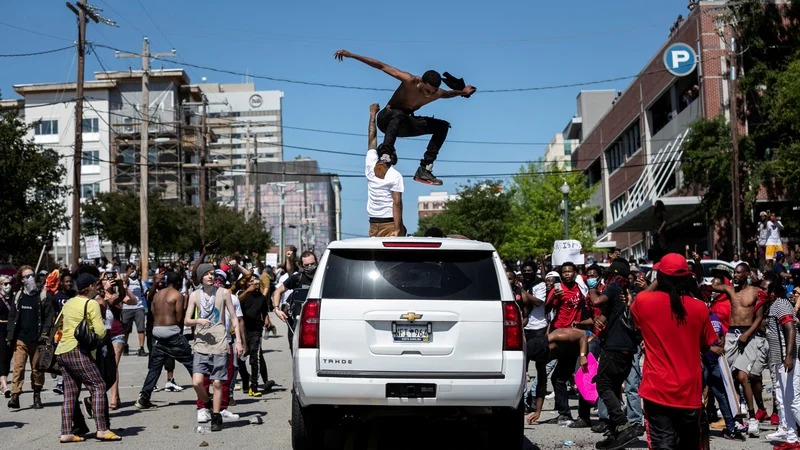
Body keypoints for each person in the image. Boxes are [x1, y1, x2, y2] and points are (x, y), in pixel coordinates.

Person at [334, 49, 476, 186]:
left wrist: (463, 92)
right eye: (426, 90)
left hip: (404, 123)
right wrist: (351, 55)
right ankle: (385, 157)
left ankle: (424, 169)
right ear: (420, 82)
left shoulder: (437, 93)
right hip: (386, 119)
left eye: (431, 92)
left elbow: (449, 94)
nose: (428, 95)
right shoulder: (409, 80)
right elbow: (380, 66)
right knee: (398, 113)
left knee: (443, 126)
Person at [631, 253, 721, 450]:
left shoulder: (645, 302)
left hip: (657, 389)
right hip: (689, 390)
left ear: (659, 277)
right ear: (687, 278)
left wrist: (658, 280)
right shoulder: (699, 308)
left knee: (663, 444)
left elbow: (639, 300)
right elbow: (706, 346)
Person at [55, 273, 121, 442]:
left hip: (62, 351)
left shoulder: (69, 302)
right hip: (78, 350)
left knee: (70, 393)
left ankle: (66, 432)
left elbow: (58, 324)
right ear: (90, 286)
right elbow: (101, 331)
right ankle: (102, 429)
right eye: (95, 284)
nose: (97, 287)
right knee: (98, 385)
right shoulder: (91, 303)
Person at [587, 259, 643, 446]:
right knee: (613, 388)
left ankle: (622, 424)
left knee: (603, 385)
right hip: (627, 347)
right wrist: (601, 319)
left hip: (615, 347)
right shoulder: (624, 291)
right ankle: (615, 433)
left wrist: (591, 286)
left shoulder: (613, 288)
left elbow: (595, 301)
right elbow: (607, 312)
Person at [185, 263, 244, 432]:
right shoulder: (194, 295)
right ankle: (209, 403)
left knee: (217, 382)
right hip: (201, 343)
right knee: (197, 382)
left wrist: (238, 341)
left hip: (220, 342)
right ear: (201, 277)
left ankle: (216, 416)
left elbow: (234, 318)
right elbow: (186, 320)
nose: (210, 276)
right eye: (207, 274)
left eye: (212, 274)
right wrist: (198, 321)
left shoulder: (224, 293)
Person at [712, 262, 768, 437]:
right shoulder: (731, 291)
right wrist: (718, 272)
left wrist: (748, 334)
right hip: (731, 334)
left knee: (743, 375)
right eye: (734, 273)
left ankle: (752, 417)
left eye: (738, 273)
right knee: (728, 376)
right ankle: (738, 414)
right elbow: (713, 285)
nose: (735, 276)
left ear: (746, 274)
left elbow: (758, 318)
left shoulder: (756, 292)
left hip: (748, 334)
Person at [135, 271, 195, 410]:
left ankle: (144, 398)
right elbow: (179, 317)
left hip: (157, 332)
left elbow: (155, 313)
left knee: (154, 368)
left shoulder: (157, 295)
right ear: (179, 282)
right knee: (191, 363)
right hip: (171, 333)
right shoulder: (177, 295)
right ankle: (205, 393)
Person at [546, 262, 594, 426]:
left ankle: (581, 415)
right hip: (560, 334)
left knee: (578, 375)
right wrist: (553, 298)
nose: (567, 274)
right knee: (558, 378)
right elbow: (545, 310)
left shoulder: (580, 287)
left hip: (577, 336)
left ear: (575, 273)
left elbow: (590, 281)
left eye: (570, 271)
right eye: (564, 271)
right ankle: (564, 413)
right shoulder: (557, 289)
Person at [7, 265, 54, 409]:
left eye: (32, 275)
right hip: (21, 338)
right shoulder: (19, 296)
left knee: (37, 369)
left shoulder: (42, 295)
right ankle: (15, 395)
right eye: (27, 276)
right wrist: (10, 335)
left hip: (38, 339)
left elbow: (49, 316)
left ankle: (37, 395)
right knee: (18, 367)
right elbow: (12, 316)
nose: (31, 278)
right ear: (21, 280)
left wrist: (46, 333)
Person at [524, 328, 589, 424]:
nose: (546, 360)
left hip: (587, 343)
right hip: (569, 353)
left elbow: (582, 335)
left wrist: (583, 355)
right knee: (557, 379)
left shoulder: (558, 335)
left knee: (581, 377)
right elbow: (541, 385)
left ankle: (584, 418)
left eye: (546, 356)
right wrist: (538, 412)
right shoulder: (541, 360)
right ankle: (565, 414)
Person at [764, 280, 800, 448]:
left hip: (789, 359)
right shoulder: (773, 305)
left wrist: (789, 356)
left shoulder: (781, 305)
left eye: (764, 288)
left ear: (773, 290)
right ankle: (792, 438)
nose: (760, 291)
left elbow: (790, 329)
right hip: (780, 359)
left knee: (793, 401)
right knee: (785, 400)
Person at [365, 102, 406, 237]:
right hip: (389, 223)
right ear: (392, 158)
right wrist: (397, 228)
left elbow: (372, 137)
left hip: (373, 223)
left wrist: (372, 115)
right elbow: (397, 203)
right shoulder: (395, 175)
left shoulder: (371, 164)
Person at [238, 276, 275, 397]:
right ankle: (245, 380)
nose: (255, 284)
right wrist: (248, 290)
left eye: (257, 283)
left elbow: (264, 312)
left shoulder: (262, 298)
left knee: (255, 357)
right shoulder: (243, 295)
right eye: (252, 282)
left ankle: (253, 386)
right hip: (242, 330)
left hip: (256, 331)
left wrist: (267, 321)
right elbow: (236, 303)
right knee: (240, 358)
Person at [122, 266, 148, 357]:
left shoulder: (140, 282)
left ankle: (141, 348)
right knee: (126, 330)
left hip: (139, 307)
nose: (133, 270)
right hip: (127, 308)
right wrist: (128, 274)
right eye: (130, 269)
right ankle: (125, 345)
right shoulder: (126, 281)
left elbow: (146, 293)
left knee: (141, 329)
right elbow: (124, 282)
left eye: (134, 269)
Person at [0, 274, 12, 398]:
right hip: (0, 329)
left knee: (8, 358)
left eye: (9, 283)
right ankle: (5, 386)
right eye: (5, 283)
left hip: (10, 330)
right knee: (2, 358)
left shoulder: (13, 297)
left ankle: (2, 380)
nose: (8, 286)